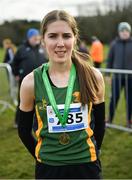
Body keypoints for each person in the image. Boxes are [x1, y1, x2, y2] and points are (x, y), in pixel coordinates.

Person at [18, 10, 105, 179]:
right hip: (49, 167)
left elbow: (100, 124)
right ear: (43, 40)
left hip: (87, 166)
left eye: (66, 36)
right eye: (52, 36)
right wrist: (42, 155)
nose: (60, 43)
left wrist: (93, 150)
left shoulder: (93, 76)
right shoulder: (30, 83)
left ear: (75, 38)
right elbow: (23, 131)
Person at [12, 28, 47, 127]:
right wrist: (16, 74)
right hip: (25, 81)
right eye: (34, 36)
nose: (36, 38)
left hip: (41, 80)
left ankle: (38, 121)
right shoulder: (22, 49)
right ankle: (18, 122)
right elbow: (14, 63)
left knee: (41, 101)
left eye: (37, 36)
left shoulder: (42, 48)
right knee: (23, 101)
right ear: (29, 38)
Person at [107, 22, 132, 128]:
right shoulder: (114, 44)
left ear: (129, 32)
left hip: (130, 78)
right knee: (114, 99)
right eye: (122, 31)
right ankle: (109, 120)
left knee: (130, 99)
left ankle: (129, 122)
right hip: (117, 77)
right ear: (119, 32)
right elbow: (109, 60)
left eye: (126, 30)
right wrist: (108, 74)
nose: (124, 32)